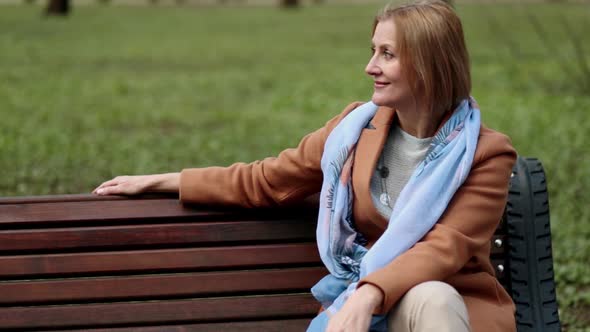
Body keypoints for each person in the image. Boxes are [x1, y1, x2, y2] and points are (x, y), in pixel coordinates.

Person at [93, 1, 517, 331]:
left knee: (433, 296)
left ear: (428, 64)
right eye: (373, 51)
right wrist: (167, 180)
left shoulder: (484, 154)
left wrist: (368, 294)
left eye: (387, 54)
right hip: (360, 303)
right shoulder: (356, 128)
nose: (370, 67)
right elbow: (268, 179)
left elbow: (444, 248)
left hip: (436, 310)